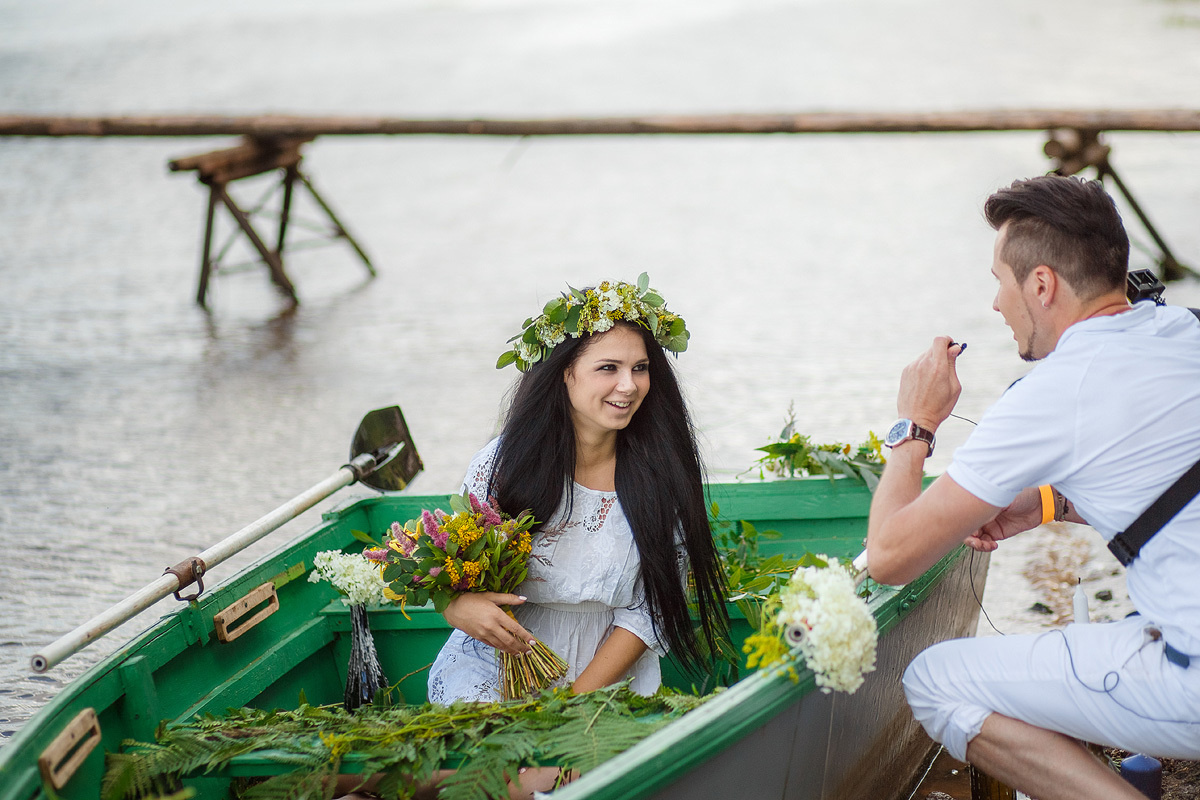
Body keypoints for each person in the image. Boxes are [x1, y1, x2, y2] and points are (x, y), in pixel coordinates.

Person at [866, 175, 1200, 800]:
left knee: (937, 681)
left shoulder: (1052, 393)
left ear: (1041, 284)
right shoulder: (1185, 330)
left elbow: (888, 557)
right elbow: (1163, 484)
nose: (996, 304)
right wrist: (1046, 503)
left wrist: (915, 426)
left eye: (999, 280)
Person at [428, 277, 729, 704]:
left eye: (639, 368)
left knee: (544, 770)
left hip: (606, 673)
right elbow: (455, 570)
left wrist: (572, 703)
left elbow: (652, 611)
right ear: (565, 372)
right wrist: (454, 607)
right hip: (493, 665)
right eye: (609, 368)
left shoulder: (661, 473)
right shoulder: (502, 464)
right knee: (516, 764)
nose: (628, 385)